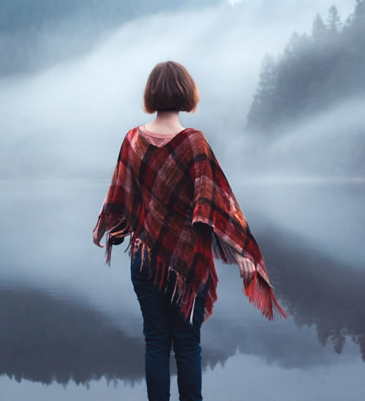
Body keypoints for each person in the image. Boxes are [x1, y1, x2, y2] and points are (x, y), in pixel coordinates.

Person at [93, 60, 286, 401]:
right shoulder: (194, 143)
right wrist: (242, 251)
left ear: (151, 93)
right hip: (188, 262)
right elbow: (218, 204)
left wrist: (106, 227)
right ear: (186, 93)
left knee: (155, 342)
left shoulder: (133, 140)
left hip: (144, 260)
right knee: (186, 346)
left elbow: (119, 196)